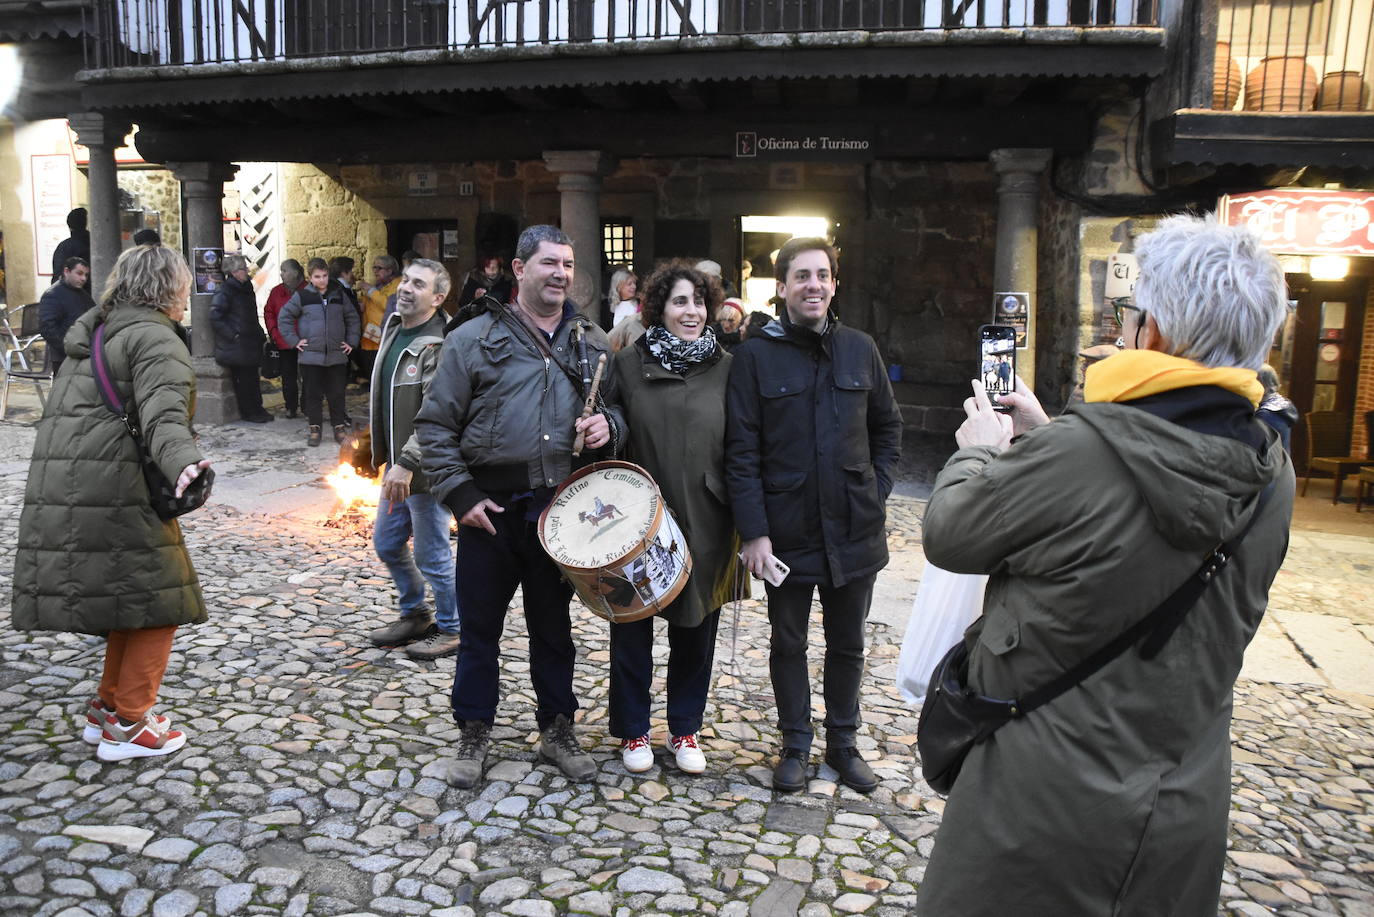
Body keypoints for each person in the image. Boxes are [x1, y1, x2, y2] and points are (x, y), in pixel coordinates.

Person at [917, 215, 1294, 916]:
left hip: (1044, 793)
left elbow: (950, 531)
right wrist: (1052, 434)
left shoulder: (1083, 451)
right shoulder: (1273, 468)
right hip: (1181, 795)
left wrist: (981, 448)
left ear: (1153, 331)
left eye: (1130, 312)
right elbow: (1146, 492)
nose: (1121, 328)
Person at [414, 224, 626, 789]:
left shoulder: (592, 340)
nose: (560, 274)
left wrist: (610, 426)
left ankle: (557, 728)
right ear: (519, 268)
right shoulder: (472, 338)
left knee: (553, 629)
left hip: (560, 510)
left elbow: (622, 416)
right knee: (480, 629)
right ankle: (474, 731)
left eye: (568, 265)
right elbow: (435, 428)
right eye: (549, 263)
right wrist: (461, 496)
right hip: (490, 508)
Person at [12, 244, 211, 762]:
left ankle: (109, 708)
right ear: (170, 288)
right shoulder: (152, 337)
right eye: (184, 284)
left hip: (75, 485)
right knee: (159, 603)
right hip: (114, 488)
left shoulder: (99, 330)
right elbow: (163, 414)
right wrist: (184, 461)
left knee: (132, 599)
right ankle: (129, 724)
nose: (187, 294)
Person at [725, 237, 902, 794]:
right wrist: (753, 531)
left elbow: (887, 431)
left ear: (834, 284)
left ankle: (843, 746)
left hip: (854, 530)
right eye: (802, 276)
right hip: (788, 532)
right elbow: (741, 449)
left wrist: (876, 492)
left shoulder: (860, 348)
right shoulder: (754, 357)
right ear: (781, 288)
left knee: (848, 644)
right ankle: (796, 745)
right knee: (788, 643)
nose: (814, 285)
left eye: (823, 275)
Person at [609, 262, 744, 775]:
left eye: (699, 302)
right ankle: (634, 730)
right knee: (632, 623)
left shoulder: (730, 367)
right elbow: (614, 431)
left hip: (708, 515)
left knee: (696, 624)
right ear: (658, 308)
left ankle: (685, 728)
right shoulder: (627, 365)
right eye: (679, 302)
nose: (692, 312)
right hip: (642, 518)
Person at [368, 258, 462, 661]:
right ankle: (415, 613)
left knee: (433, 555)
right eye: (405, 280)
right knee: (387, 543)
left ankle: (455, 627)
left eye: (418, 284)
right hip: (398, 467)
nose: (405, 288)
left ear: (437, 297)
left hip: (426, 469)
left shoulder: (439, 343)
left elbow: (437, 413)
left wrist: (406, 462)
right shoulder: (394, 329)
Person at [279, 257, 360, 447]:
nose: (322, 280)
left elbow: (353, 318)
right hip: (310, 356)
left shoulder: (339, 294)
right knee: (313, 395)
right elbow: (284, 317)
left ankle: (339, 428)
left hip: (336, 354)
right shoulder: (302, 296)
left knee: (337, 394)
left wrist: (351, 341)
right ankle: (314, 429)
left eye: (324, 276)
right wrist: (294, 341)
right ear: (310, 277)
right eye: (317, 277)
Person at [209, 253, 272, 423]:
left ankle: (257, 408)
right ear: (234, 272)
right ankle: (249, 412)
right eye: (243, 269)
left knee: (253, 378)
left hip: (250, 341)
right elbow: (216, 315)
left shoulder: (246, 288)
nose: (246, 271)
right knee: (244, 381)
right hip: (237, 344)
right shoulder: (226, 290)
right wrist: (233, 335)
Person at [264, 259, 306, 419]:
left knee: (308, 377)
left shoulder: (308, 290)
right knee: (288, 377)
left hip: (305, 341)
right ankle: (291, 407)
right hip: (284, 341)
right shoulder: (276, 292)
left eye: (284, 270)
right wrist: (274, 332)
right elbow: (269, 313)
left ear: (295, 273)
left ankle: (307, 406)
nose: (281, 274)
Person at [39, 256, 94, 377]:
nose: (83, 278)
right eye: (79, 273)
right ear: (66, 271)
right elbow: (47, 327)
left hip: (83, 351)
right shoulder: (52, 295)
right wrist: (66, 347)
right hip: (63, 356)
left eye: (86, 275)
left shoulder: (83, 295)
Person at [357, 254, 400, 387]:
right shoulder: (378, 285)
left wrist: (371, 291)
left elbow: (388, 305)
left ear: (389, 270)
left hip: (384, 335)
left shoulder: (398, 285)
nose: (375, 271)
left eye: (379, 268)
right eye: (374, 267)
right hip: (370, 335)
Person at [1256, 363, 1297, 452]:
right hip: (1282, 463)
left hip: (1269, 464)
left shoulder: (1266, 414)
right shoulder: (1280, 404)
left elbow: (1258, 448)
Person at [51, 207, 90, 280]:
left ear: (69, 226)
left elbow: (58, 276)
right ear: (86, 224)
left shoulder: (64, 247)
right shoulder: (95, 245)